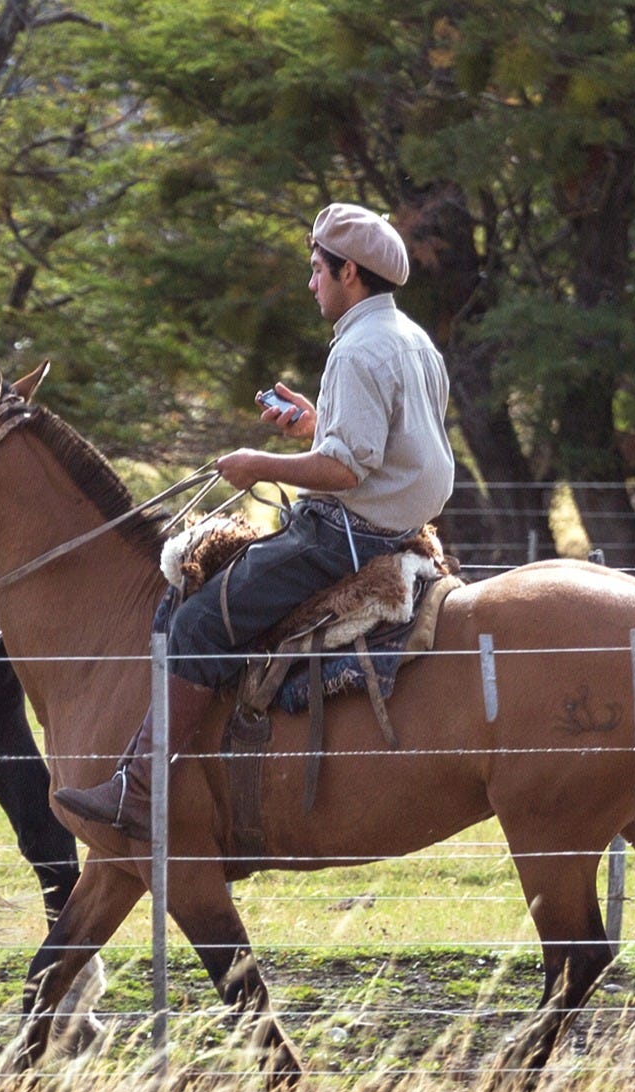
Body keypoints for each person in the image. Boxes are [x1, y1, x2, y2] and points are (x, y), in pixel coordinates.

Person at [51, 202, 457, 834]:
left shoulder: (356, 352)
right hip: (399, 529)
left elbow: (347, 472)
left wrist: (259, 462)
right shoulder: (412, 339)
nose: (311, 282)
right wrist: (315, 426)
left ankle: (140, 792)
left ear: (349, 272)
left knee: (195, 623)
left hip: (342, 538)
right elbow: (389, 446)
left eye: (318, 269)